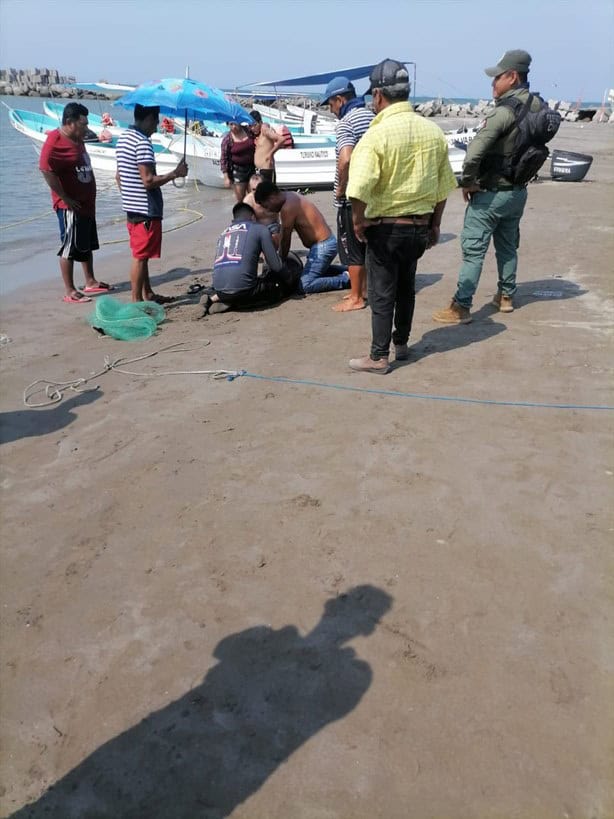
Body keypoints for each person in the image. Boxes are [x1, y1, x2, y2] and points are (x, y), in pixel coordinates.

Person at [346, 58, 457, 373]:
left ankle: (379, 356)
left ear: (379, 96)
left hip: (386, 228)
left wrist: (358, 220)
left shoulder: (375, 134)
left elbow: (359, 186)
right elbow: (442, 187)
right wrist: (434, 225)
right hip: (419, 228)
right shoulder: (432, 132)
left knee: (383, 292)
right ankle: (402, 344)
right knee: (406, 287)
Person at [432, 49, 538, 324]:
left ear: (513, 77)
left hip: (491, 193)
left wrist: (468, 183)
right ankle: (506, 296)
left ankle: (461, 306)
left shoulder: (503, 112)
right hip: (518, 191)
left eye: (497, 78)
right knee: (507, 246)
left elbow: (473, 154)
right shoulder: (537, 107)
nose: (492, 84)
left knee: (473, 251)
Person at [39, 101, 112, 303]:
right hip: (69, 206)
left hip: (86, 203)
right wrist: (64, 197)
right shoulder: (55, 140)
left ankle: (90, 281)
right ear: (70, 122)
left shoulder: (79, 138)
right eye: (83, 124)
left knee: (86, 243)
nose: (86, 128)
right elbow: (45, 169)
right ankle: (70, 290)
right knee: (69, 247)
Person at [115, 104, 188, 303]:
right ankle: (137, 301)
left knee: (142, 255)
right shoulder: (142, 142)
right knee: (140, 257)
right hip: (145, 210)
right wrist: (175, 173)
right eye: (155, 122)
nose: (156, 127)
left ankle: (147, 294)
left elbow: (118, 176)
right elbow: (148, 180)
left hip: (132, 209)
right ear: (148, 118)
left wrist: (129, 197)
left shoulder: (124, 138)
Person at [321, 75, 374, 312]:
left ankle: (356, 297)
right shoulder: (372, 117)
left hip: (352, 197)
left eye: (330, 105)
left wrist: (341, 190)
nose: (331, 111)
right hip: (372, 194)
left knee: (352, 247)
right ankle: (363, 290)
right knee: (368, 245)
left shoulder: (346, 123)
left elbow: (346, 159)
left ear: (340, 100)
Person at [254, 181, 350, 295]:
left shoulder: (287, 207)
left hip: (324, 246)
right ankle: (351, 270)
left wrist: (279, 263)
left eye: (266, 206)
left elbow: (285, 240)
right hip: (324, 243)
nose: (268, 210)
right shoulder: (290, 195)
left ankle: (347, 280)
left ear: (272, 198)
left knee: (304, 285)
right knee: (319, 271)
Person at [206, 202, 301, 313]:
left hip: (220, 291)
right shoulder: (260, 229)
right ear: (253, 217)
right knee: (280, 286)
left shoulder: (223, 234)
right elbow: (276, 266)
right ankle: (235, 304)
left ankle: (217, 300)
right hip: (245, 292)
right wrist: (290, 280)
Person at [243, 172, 281, 248]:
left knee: (276, 234)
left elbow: (283, 212)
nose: (257, 192)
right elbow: (247, 224)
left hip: (274, 226)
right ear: (250, 188)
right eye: (254, 189)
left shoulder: (273, 196)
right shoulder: (248, 201)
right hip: (258, 227)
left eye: (259, 188)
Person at [221, 121, 256, 201]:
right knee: (240, 200)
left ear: (239, 123)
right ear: (228, 125)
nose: (233, 127)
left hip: (252, 168)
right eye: (231, 124)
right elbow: (224, 158)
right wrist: (226, 177)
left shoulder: (248, 131)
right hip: (237, 171)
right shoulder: (227, 139)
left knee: (254, 197)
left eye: (235, 124)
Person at [249, 110, 286, 182]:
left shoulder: (264, 130)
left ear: (260, 122)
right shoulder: (257, 133)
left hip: (267, 170)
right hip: (259, 171)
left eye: (255, 125)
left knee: (268, 193)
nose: (253, 128)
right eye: (250, 126)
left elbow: (281, 139)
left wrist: (271, 153)